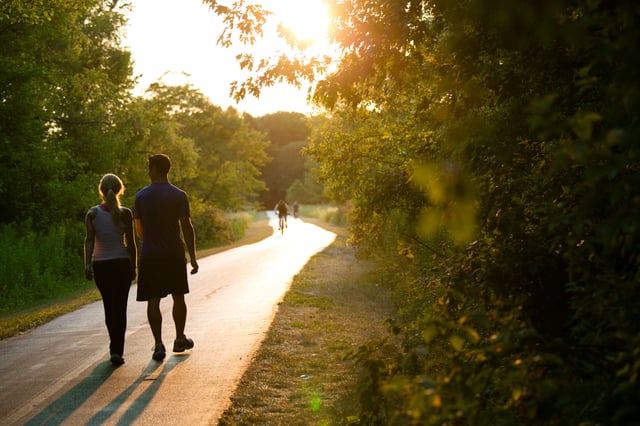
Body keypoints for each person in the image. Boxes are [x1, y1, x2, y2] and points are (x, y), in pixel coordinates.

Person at [134, 154, 199, 362]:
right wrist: (193, 257)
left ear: (154, 169)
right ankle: (180, 338)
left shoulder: (141, 196)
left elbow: (139, 231)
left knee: (153, 299)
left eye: (148, 167)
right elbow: (187, 227)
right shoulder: (179, 195)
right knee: (178, 296)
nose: (148, 171)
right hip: (174, 253)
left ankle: (158, 344)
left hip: (150, 255)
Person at [84, 173, 137, 366]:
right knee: (120, 309)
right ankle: (117, 351)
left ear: (101, 190)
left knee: (109, 307)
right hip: (121, 264)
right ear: (119, 189)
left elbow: (89, 240)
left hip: (101, 265)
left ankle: (114, 347)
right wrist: (134, 266)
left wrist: (87, 264)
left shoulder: (92, 214)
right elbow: (131, 244)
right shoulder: (125, 213)